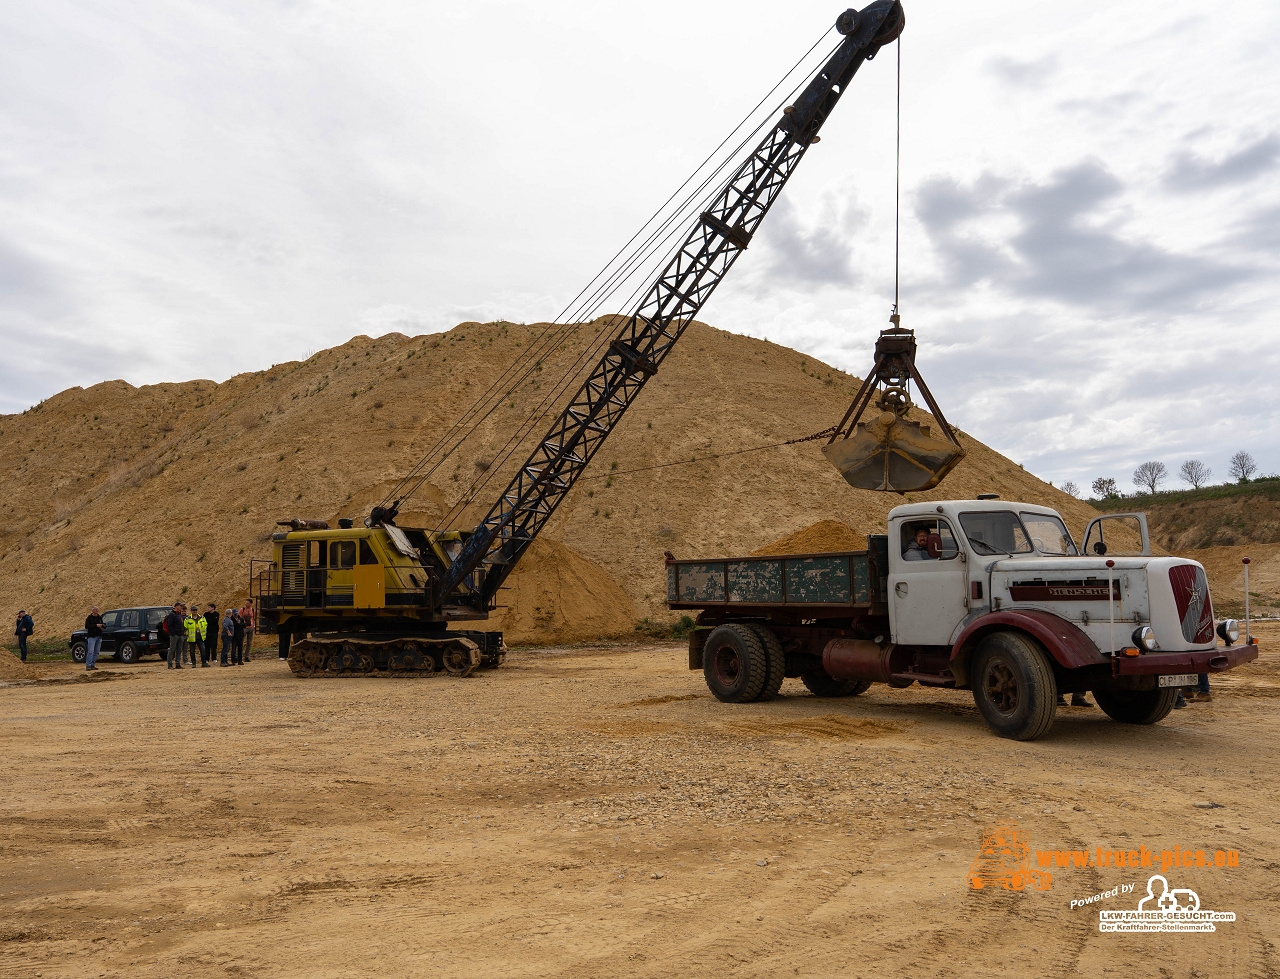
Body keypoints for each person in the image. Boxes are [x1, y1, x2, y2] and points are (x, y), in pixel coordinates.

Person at [164, 603, 185, 669]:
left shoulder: (179, 614)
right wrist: (173, 634)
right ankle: (170, 664)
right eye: (180, 606)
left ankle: (177, 664)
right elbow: (169, 625)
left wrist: (182, 632)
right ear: (176, 606)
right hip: (175, 635)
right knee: (172, 650)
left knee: (179, 650)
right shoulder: (172, 614)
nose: (181, 607)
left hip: (180, 634)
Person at [84, 606, 104, 671]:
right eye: (95, 609)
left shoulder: (100, 617)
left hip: (99, 636)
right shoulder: (89, 618)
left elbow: (102, 624)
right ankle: (88, 665)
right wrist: (96, 625)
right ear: (92, 610)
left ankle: (92, 664)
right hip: (91, 637)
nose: (96, 610)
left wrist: (102, 627)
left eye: (97, 609)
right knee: (90, 651)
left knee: (97, 652)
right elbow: (86, 626)